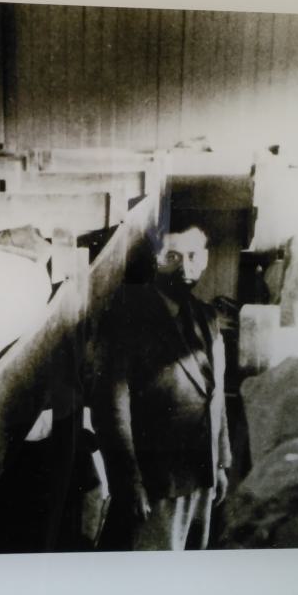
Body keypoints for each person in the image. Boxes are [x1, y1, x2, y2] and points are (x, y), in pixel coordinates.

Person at [93, 225, 232, 551]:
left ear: (205, 259)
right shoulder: (127, 318)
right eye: (172, 256)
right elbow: (113, 409)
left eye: (193, 256)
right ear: (155, 261)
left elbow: (216, 395)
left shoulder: (206, 316)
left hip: (202, 474)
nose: (185, 267)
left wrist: (221, 464)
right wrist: (130, 484)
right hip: (158, 483)